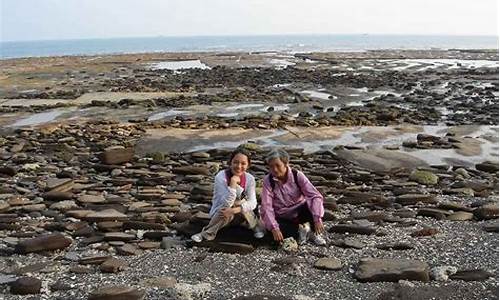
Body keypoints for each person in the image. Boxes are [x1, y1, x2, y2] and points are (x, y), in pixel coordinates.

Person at [191, 148, 264, 242]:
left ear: (248, 165)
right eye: (236, 162)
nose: (239, 166)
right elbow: (226, 204)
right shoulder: (221, 177)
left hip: (241, 214)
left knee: (244, 205)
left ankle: (255, 227)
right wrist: (233, 184)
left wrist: (235, 210)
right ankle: (205, 234)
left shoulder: (249, 179)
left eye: (243, 163)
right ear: (230, 162)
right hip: (223, 213)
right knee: (226, 210)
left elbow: (253, 202)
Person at [260, 148, 326, 246]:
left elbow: (314, 195)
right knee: (272, 234)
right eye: (271, 166)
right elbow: (266, 206)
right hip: (282, 215)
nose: (275, 169)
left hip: (300, 210)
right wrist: (274, 228)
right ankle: (301, 231)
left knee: (313, 205)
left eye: (278, 165)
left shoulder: (297, 175)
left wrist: (317, 218)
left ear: (286, 164)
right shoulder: (268, 181)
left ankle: (314, 233)